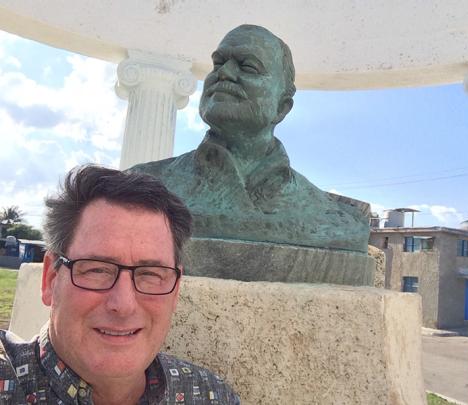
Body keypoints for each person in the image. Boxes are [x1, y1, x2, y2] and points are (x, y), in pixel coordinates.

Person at [0, 165, 240, 404]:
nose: (124, 305)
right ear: (50, 280)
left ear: (175, 290)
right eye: (97, 269)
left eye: (150, 274)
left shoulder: (211, 395)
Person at [134, 24, 370, 254]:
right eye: (218, 63)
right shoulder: (141, 186)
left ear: (282, 107)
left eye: (248, 66)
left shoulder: (336, 218)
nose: (224, 73)